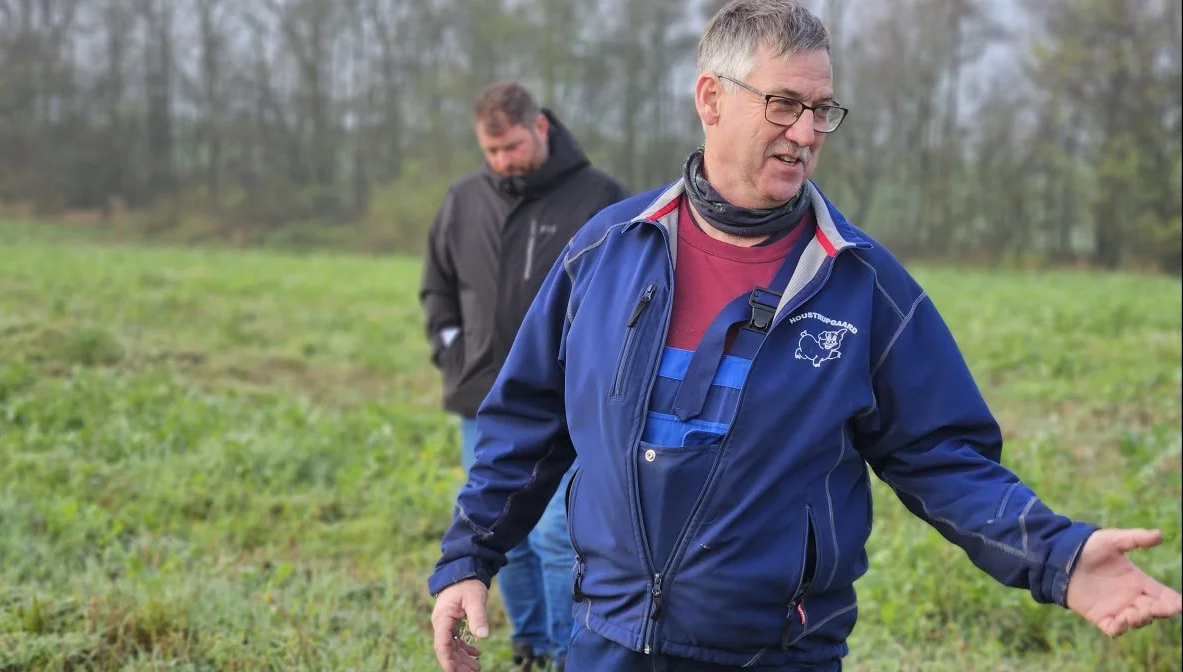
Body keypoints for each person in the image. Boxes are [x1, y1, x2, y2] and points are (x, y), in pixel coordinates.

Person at [426, 2, 1183, 671]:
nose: (806, 132)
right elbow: (526, 421)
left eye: (821, 109)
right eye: (784, 103)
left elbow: (944, 457)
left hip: (775, 651)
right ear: (711, 99)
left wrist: (1059, 556)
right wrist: (469, 558)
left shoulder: (861, 285)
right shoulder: (607, 250)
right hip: (607, 642)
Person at [419, 80, 628, 671]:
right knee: (497, 534)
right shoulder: (463, 201)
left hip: (567, 408)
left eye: (511, 146)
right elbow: (437, 287)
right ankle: (529, 645)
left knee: (560, 537)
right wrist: (452, 351)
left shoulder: (602, 199)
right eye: (491, 153)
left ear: (540, 128)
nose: (502, 162)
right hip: (479, 399)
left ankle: (568, 652)